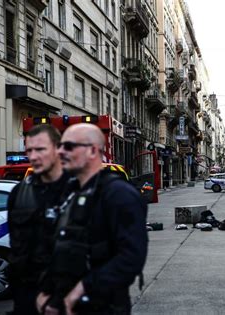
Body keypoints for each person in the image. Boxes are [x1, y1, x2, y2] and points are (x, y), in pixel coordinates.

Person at [36, 123, 148, 315]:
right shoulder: (69, 192)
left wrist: (83, 288)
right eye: (60, 146)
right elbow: (61, 247)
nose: (61, 152)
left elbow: (131, 258)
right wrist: (47, 292)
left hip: (102, 306)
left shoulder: (119, 194)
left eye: (69, 146)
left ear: (93, 151)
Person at [6, 124, 72, 315]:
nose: (33, 156)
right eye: (29, 150)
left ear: (58, 149)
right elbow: (16, 247)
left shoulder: (79, 191)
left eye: (40, 149)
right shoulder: (19, 193)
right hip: (27, 297)